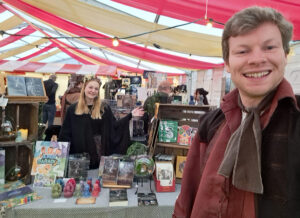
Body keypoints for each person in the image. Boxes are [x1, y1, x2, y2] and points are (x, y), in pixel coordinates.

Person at [173, 6, 299, 218]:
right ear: (228, 64)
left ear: (285, 55)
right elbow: (187, 198)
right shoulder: (211, 123)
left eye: (269, 47)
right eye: (243, 51)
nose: (257, 59)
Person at [58, 76, 144, 169]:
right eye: (90, 87)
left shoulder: (104, 108)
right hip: (79, 156)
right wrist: (61, 156)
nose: (93, 91)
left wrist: (130, 115)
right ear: (84, 88)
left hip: (97, 155)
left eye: (96, 89)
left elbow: (114, 126)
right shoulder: (73, 109)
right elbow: (65, 133)